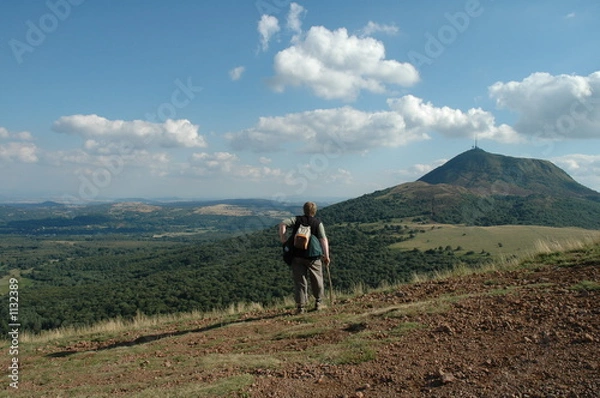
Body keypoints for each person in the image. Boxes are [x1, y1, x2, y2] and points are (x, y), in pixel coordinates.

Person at [278, 201, 330, 314]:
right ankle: (318, 303)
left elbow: (282, 224)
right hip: (313, 256)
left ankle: (300, 307)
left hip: (297, 255)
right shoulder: (317, 223)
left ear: (304, 210)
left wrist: (283, 239)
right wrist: (326, 255)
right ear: (314, 211)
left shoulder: (296, 220)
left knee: (300, 281)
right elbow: (323, 239)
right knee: (317, 279)